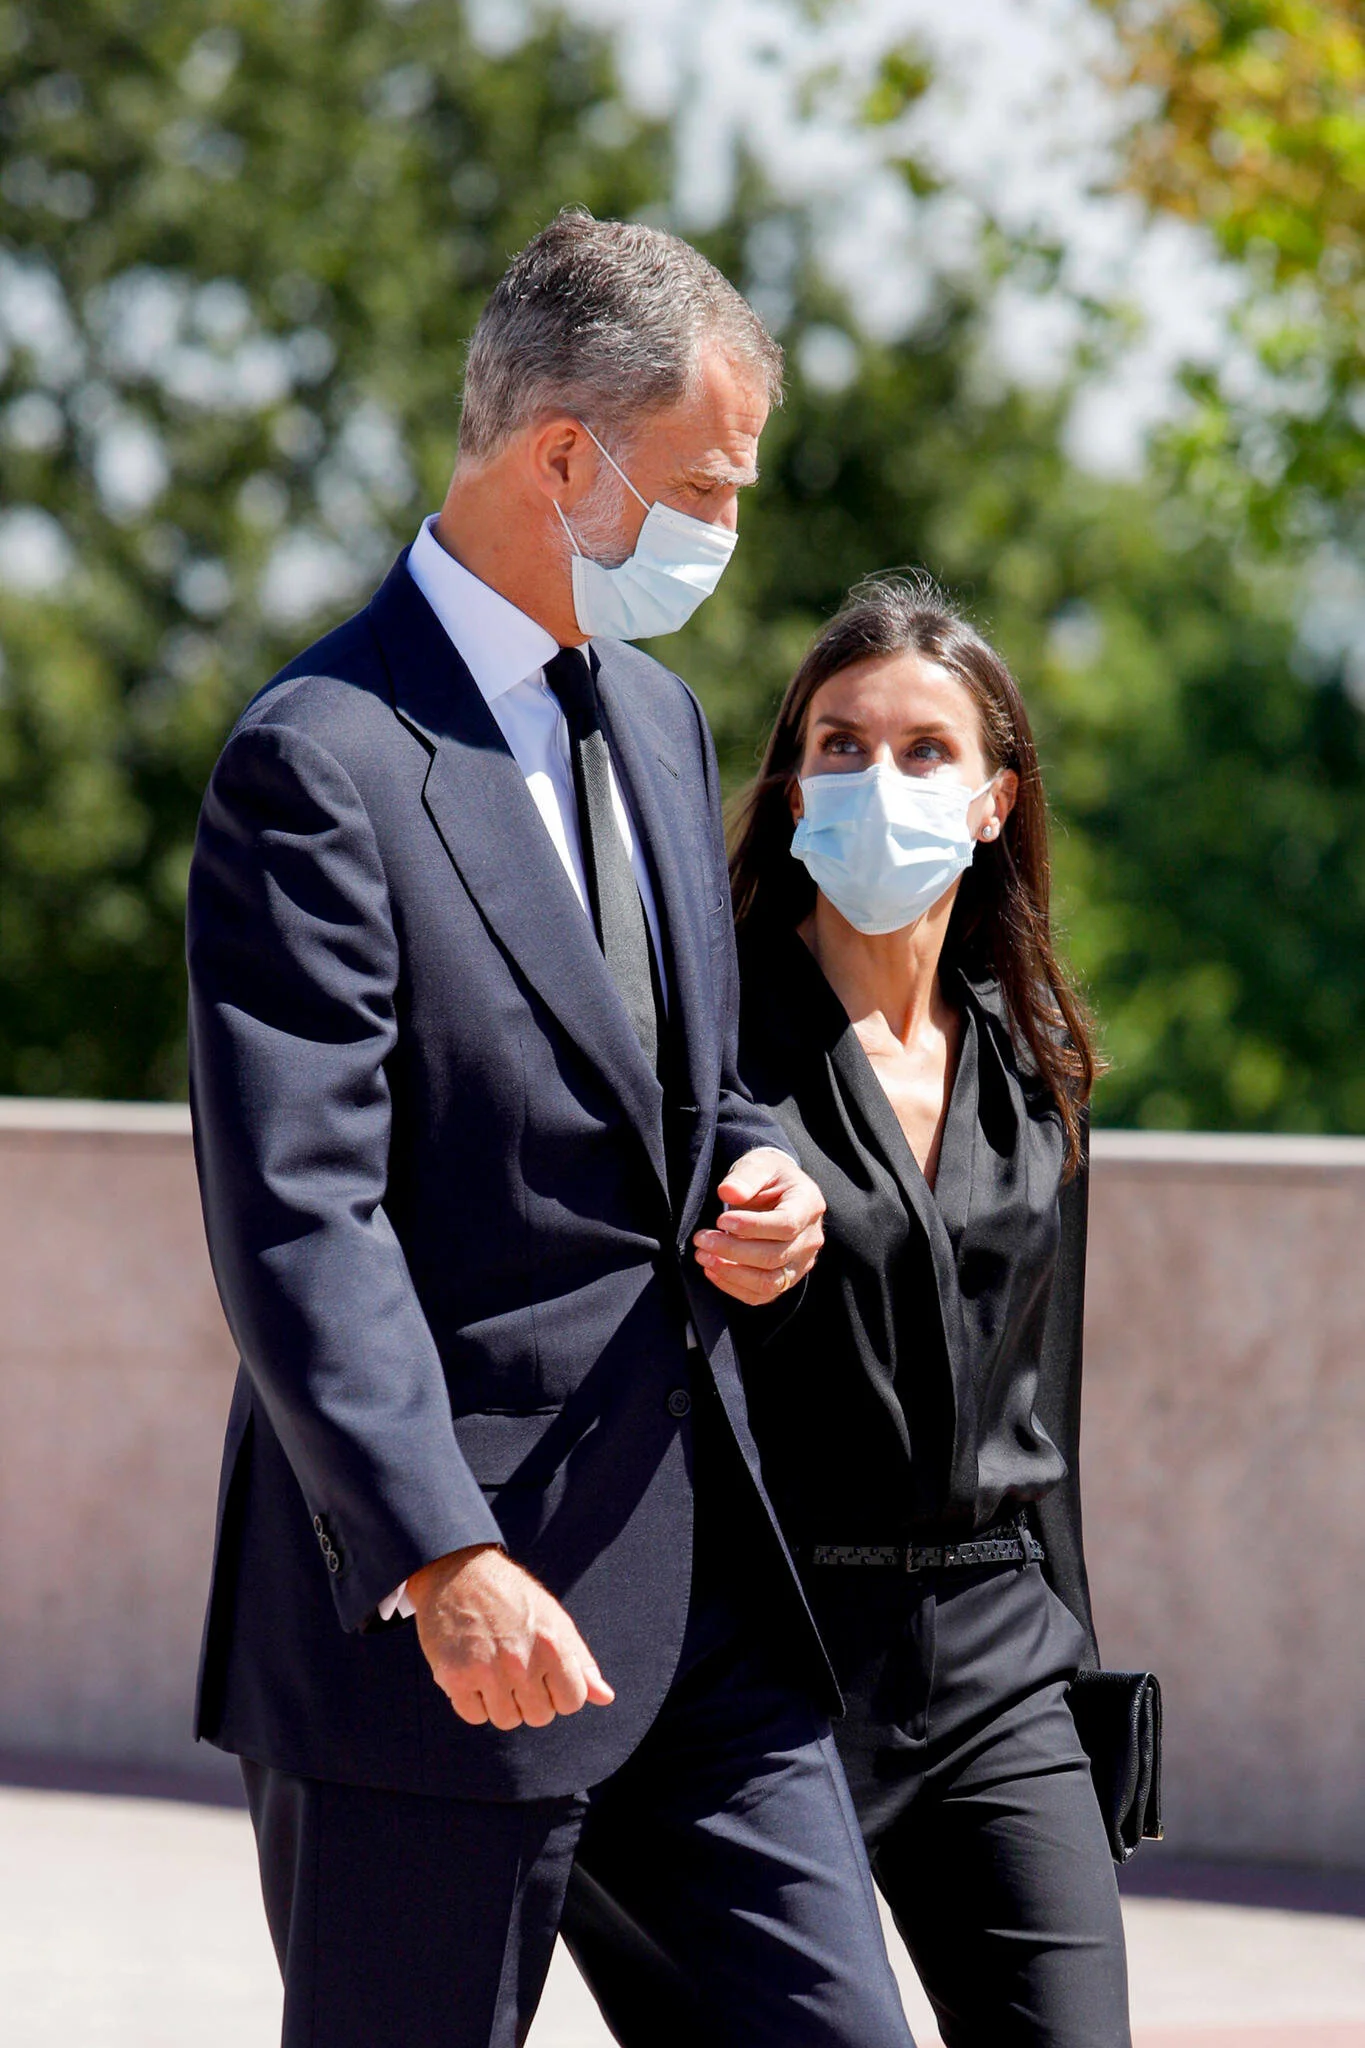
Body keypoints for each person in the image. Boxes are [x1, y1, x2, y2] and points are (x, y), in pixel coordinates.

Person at [186, 211, 919, 2048]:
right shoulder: (320, 758)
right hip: (444, 1633)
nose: (726, 537)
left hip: (706, 1621)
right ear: (566, 460)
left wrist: (766, 1179)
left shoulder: (660, 722)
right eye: (706, 489)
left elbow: (692, 1081)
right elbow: (300, 1214)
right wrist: (442, 1553)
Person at [561, 574, 1132, 2047]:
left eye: (927, 750)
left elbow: (1041, 1410)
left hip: (1000, 1659)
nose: (879, 778)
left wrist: (1078, 1669)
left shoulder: (1035, 1073)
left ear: (997, 801)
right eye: (839, 744)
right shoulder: (708, 1046)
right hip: (768, 1663)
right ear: (792, 779)